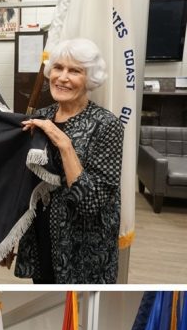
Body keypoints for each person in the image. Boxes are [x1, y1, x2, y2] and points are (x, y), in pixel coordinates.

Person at [15, 37, 124, 283]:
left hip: (83, 251)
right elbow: (25, 185)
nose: (62, 77)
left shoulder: (107, 126)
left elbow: (91, 203)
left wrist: (63, 143)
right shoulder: (40, 117)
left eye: (74, 71)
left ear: (90, 78)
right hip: (43, 238)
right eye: (58, 68)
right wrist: (13, 236)